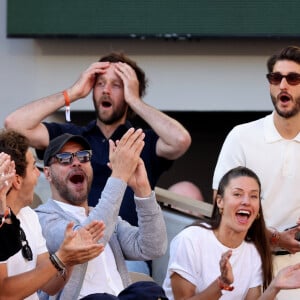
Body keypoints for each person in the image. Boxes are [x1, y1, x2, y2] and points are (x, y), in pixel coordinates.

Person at [4, 52, 192, 228]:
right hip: (76, 241)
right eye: (100, 83)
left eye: (116, 85)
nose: (106, 90)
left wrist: (135, 100)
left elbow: (180, 140)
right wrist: (73, 93)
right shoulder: (70, 137)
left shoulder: (141, 140)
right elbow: (13, 124)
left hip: (128, 252)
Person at [35, 130, 168, 299]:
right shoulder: (41, 218)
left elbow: (153, 247)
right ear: (48, 173)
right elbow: (84, 243)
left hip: (120, 296)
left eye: (83, 156)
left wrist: (142, 189)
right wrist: (119, 175)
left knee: (150, 291)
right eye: (65, 158)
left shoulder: (107, 218)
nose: (76, 163)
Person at [212, 45, 300, 299]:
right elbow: (220, 206)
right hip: (246, 260)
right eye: (276, 78)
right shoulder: (242, 136)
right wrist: (274, 237)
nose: (283, 85)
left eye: (293, 78)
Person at [163, 166, 300, 300]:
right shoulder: (190, 239)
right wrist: (221, 284)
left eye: (253, 196)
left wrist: (274, 287)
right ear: (220, 201)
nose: (246, 201)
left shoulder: (253, 252)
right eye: (237, 194)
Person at [0, 130, 105, 300]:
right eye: (34, 167)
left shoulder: (29, 216)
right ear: (17, 180)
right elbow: (4, 293)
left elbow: (50, 286)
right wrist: (60, 258)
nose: (37, 174)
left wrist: (69, 257)